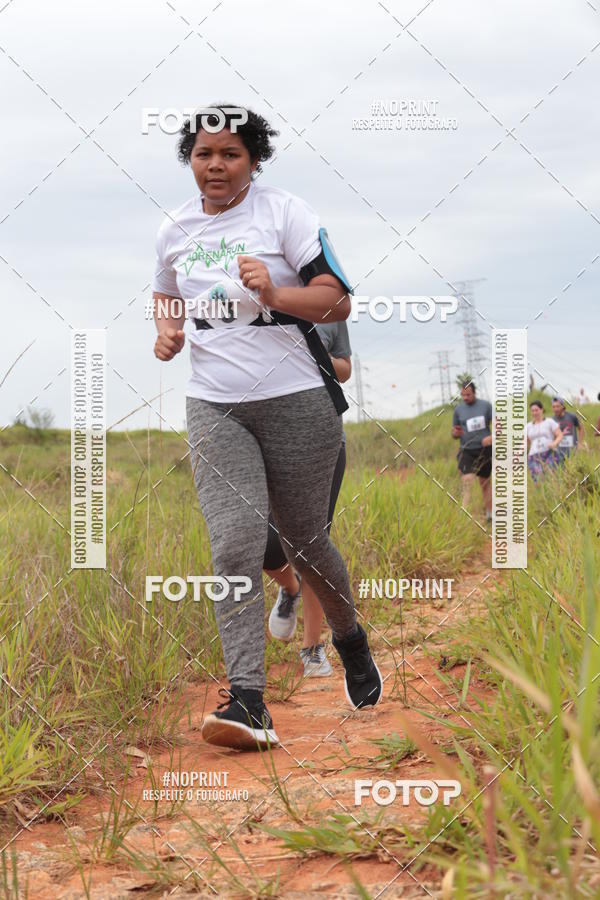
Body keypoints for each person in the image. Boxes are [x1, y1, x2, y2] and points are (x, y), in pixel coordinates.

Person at [152, 104, 382, 751]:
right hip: (214, 404)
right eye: (204, 154)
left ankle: (350, 640)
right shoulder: (173, 228)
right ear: (190, 161)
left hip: (296, 402)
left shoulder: (286, 214)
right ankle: (248, 700)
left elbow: (338, 299)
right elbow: (165, 293)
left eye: (230, 154)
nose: (216, 165)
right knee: (235, 545)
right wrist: (167, 329)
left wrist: (276, 295)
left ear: (253, 159)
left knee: (306, 543)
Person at [265, 320, 352, 677]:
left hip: (324, 440)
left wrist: (310, 354)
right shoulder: (263, 304)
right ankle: (290, 588)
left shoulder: (331, 307)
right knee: (264, 545)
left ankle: (313, 647)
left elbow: (344, 369)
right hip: (268, 438)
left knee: (312, 546)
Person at [451, 381, 493, 520]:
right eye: (463, 395)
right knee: (467, 480)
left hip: (484, 450)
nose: (465, 397)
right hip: (466, 450)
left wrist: (492, 437)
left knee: (484, 483)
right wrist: (455, 433)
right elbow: (454, 432)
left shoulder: (486, 406)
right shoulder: (458, 410)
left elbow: (499, 425)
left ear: (474, 392)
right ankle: (464, 515)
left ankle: (489, 514)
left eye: (468, 394)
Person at [526, 401, 563, 484]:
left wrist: (554, 443)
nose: (535, 412)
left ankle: (555, 491)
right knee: (538, 480)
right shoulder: (528, 426)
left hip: (549, 452)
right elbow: (525, 442)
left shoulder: (549, 422)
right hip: (534, 455)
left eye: (536, 410)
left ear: (542, 409)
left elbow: (560, 435)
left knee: (551, 476)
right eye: (532, 411)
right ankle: (541, 492)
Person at [551, 396, 584, 461]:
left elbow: (581, 428)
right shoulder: (552, 420)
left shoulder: (572, 416)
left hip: (573, 451)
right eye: (553, 407)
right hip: (559, 452)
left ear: (563, 406)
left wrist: (579, 443)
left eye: (557, 406)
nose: (555, 409)